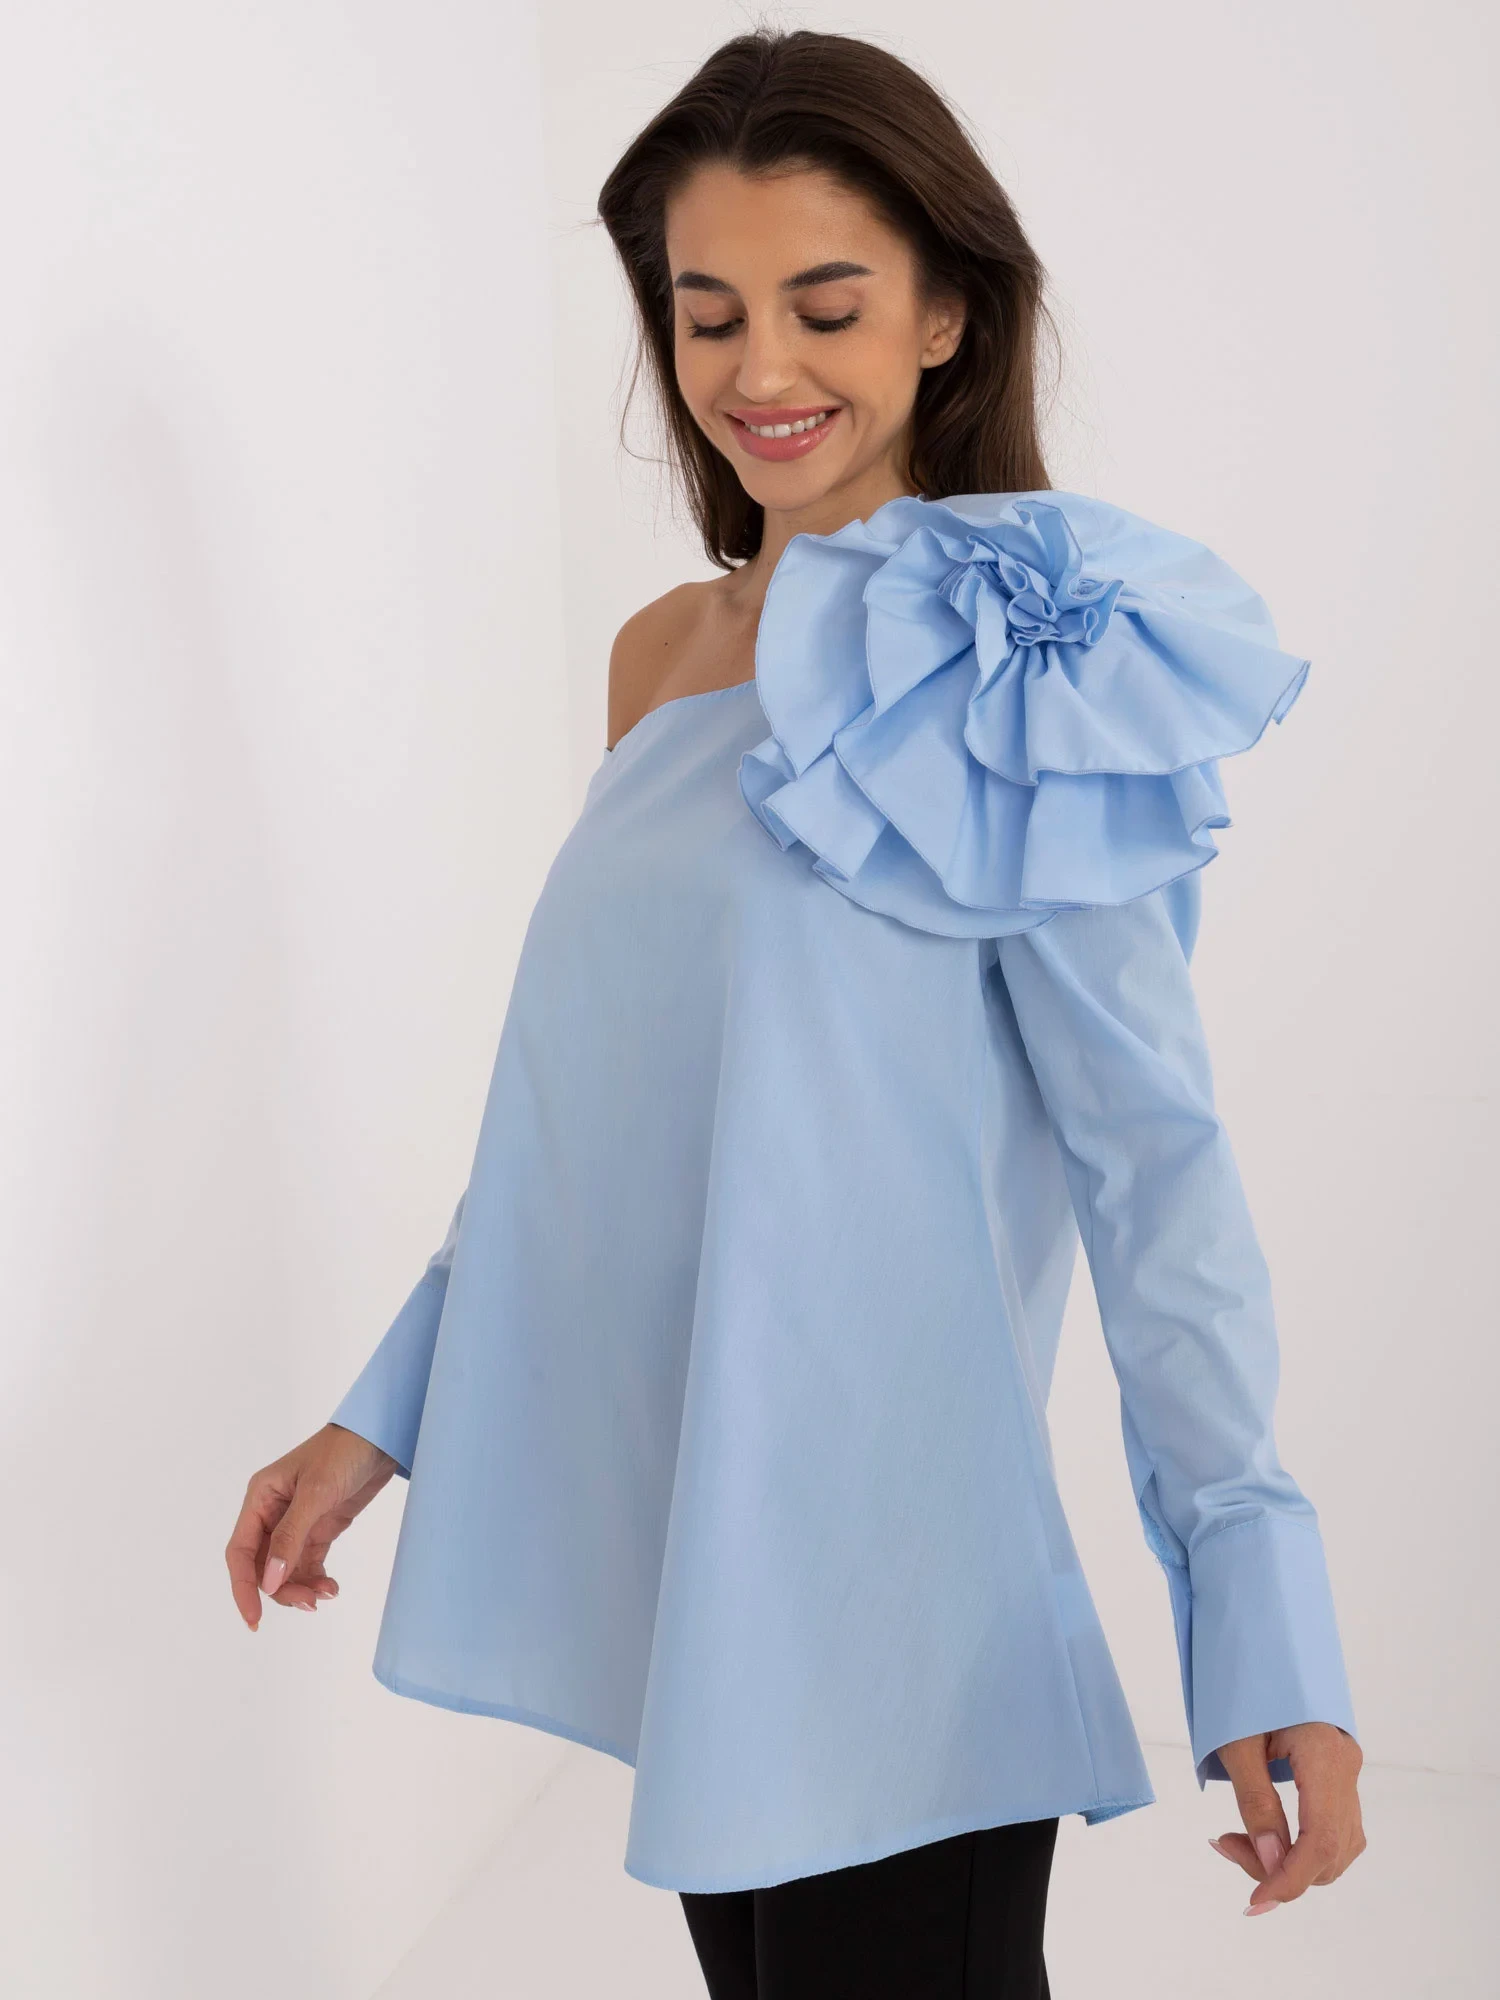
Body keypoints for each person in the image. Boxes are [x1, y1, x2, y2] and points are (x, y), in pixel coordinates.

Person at [225, 28, 1365, 1997]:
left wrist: (1264, 1614)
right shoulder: (658, 659)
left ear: (945, 315)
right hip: (707, 1586)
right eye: (710, 312)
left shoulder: (1040, 654)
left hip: (907, 1601)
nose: (761, 369)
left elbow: (1154, 1166)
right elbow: (595, 1125)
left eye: (826, 308)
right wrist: (382, 1414)